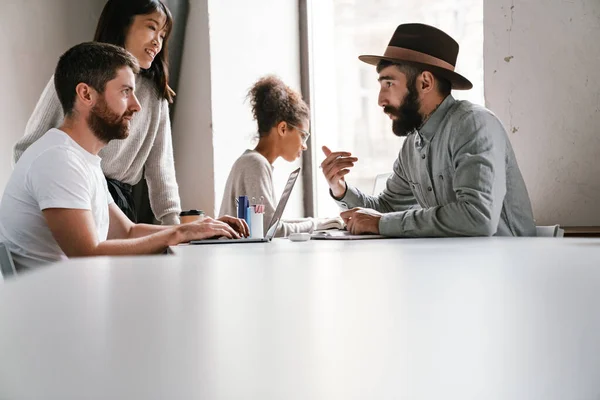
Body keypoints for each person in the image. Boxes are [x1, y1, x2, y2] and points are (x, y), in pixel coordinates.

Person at [0, 42, 248, 271]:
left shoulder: (81, 158)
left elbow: (126, 232)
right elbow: (87, 254)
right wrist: (178, 235)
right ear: (86, 94)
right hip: (57, 311)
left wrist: (196, 229)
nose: (137, 106)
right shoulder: (58, 159)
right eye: (125, 92)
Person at [320, 23, 536, 237]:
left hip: (504, 265)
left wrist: (382, 222)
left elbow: (478, 217)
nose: (380, 100)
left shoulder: (474, 124)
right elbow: (385, 210)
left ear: (425, 83)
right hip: (457, 265)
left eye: (388, 84)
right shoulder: (412, 145)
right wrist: (341, 189)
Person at [13, 0, 181, 224]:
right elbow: (27, 149)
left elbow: (161, 169)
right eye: (151, 27)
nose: (157, 42)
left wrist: (173, 223)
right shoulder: (77, 75)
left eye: (163, 35)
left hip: (118, 205)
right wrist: (43, 202)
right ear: (122, 25)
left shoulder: (155, 93)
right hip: (70, 192)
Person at [219, 76, 343, 237]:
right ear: (283, 128)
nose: (304, 145)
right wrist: (316, 224)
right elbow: (270, 230)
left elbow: (271, 223)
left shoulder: (254, 161)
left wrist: (320, 222)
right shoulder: (255, 164)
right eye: (303, 135)